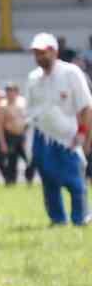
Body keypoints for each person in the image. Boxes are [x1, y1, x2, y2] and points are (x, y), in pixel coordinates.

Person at [24, 33, 92, 225]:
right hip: (42, 136)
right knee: (49, 180)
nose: (39, 57)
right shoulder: (33, 78)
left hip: (68, 136)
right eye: (36, 53)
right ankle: (57, 219)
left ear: (54, 51)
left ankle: (80, 218)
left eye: (42, 53)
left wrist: (83, 134)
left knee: (75, 182)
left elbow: (86, 107)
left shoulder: (71, 73)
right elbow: (29, 110)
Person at [2, 82, 31, 185]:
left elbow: (29, 119)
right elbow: (0, 124)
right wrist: (3, 142)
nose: (10, 93)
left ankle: (29, 181)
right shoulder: (3, 105)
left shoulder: (23, 103)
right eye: (8, 91)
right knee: (11, 161)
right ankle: (11, 183)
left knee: (29, 160)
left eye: (12, 91)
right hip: (10, 136)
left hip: (22, 135)